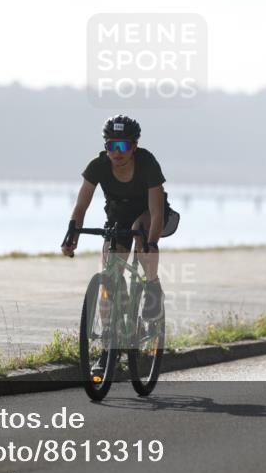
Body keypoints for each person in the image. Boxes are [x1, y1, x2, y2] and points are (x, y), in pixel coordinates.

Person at [61, 114, 179, 321]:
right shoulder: (97, 166)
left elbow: (157, 211)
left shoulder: (147, 163)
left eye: (123, 147)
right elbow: (81, 206)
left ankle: (152, 287)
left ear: (134, 147)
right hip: (119, 216)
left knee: (139, 229)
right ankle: (109, 343)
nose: (116, 153)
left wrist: (151, 244)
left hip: (149, 213)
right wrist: (72, 238)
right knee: (109, 275)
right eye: (111, 146)